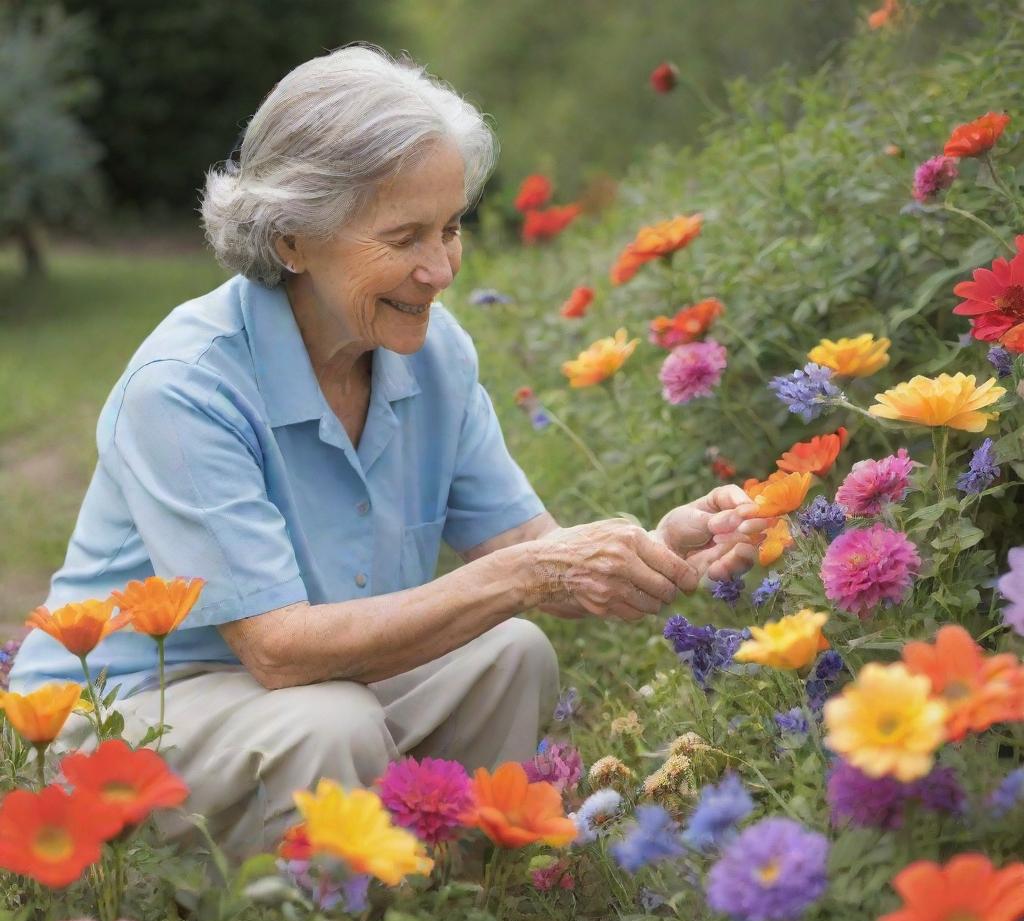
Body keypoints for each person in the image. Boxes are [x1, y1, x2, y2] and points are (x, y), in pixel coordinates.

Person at [10, 45, 766, 858]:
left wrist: (655, 546)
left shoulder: (431, 354)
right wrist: (525, 576)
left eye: (450, 229)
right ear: (294, 238)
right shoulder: (187, 386)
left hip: (308, 698)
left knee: (512, 653)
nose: (439, 270)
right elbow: (276, 649)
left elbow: (530, 552)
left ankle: (449, 911)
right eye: (405, 236)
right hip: (129, 716)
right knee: (331, 725)